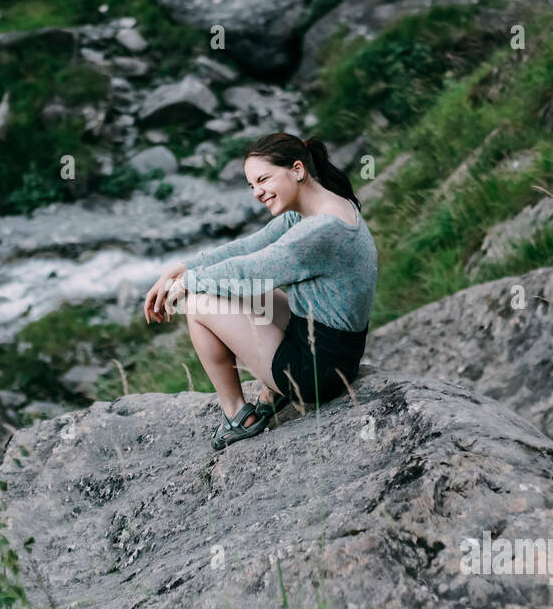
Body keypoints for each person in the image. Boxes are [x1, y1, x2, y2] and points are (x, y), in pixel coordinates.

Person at [143, 132, 378, 449]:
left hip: (316, 374)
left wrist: (186, 284)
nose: (257, 192)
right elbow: (249, 247)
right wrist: (183, 267)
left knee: (198, 303)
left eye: (263, 179)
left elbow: (249, 271)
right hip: (332, 351)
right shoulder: (323, 208)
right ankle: (273, 394)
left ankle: (238, 414)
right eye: (252, 185)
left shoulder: (319, 231)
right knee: (223, 289)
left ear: (297, 170)